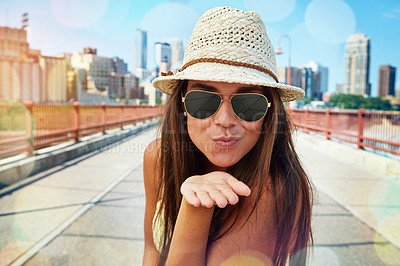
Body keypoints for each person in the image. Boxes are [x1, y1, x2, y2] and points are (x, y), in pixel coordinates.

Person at [142, 6, 313, 266]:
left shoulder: (272, 188)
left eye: (248, 103)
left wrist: (196, 206)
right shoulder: (158, 157)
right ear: (183, 106)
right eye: (203, 100)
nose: (224, 121)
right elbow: (151, 250)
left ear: (269, 112)